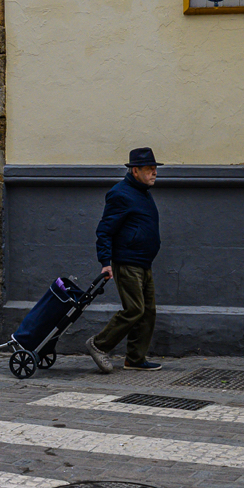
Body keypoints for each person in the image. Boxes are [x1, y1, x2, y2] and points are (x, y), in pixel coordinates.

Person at [85, 147, 164, 373]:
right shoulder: (121, 193)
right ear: (135, 170)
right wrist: (105, 262)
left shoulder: (142, 192)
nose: (154, 173)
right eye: (150, 169)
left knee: (148, 311)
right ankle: (99, 345)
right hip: (127, 262)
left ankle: (135, 358)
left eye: (155, 168)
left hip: (143, 262)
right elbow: (105, 230)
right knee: (135, 309)